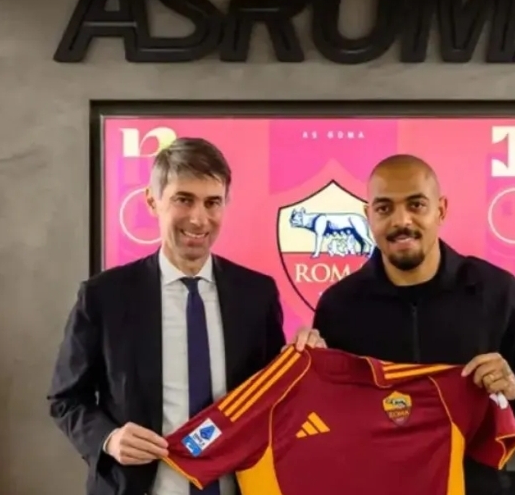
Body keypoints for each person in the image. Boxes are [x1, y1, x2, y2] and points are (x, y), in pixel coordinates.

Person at [48, 137, 319, 495]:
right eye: (183, 199)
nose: (198, 218)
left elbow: (271, 400)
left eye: (212, 202)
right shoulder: (104, 296)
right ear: (152, 200)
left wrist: (306, 361)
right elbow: (66, 398)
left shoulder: (256, 294)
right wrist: (108, 438)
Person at [294, 154, 515, 495]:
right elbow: (322, 423)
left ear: (441, 210)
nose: (401, 221)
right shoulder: (339, 306)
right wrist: (307, 375)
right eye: (384, 208)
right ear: (368, 215)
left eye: (416, 205)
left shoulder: (497, 292)